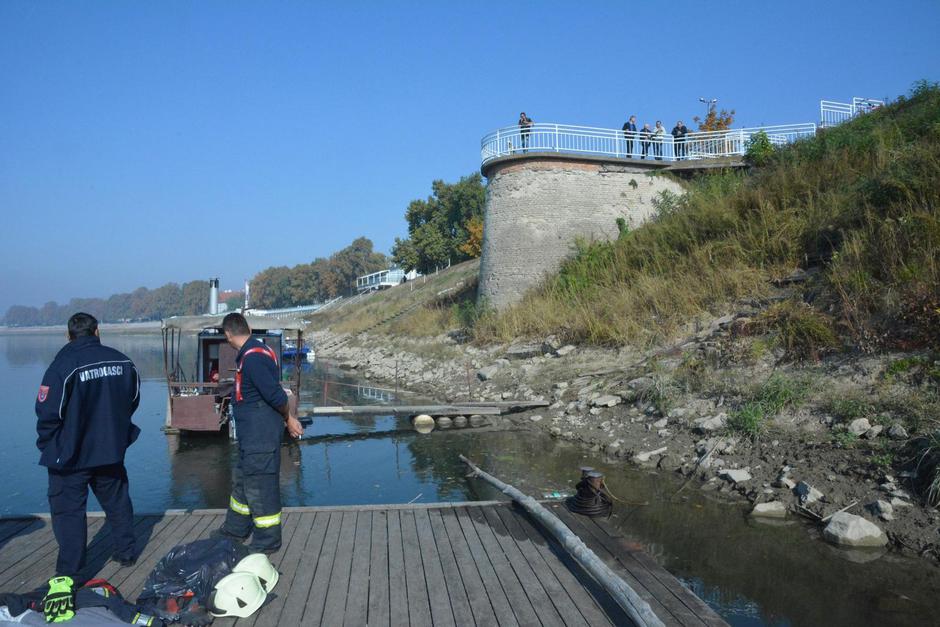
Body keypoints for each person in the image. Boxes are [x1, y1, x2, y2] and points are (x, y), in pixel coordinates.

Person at [35, 312, 141, 579]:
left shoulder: (62, 366)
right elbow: (132, 400)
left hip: (71, 454)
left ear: (68, 335)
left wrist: (48, 445)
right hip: (110, 449)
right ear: (97, 331)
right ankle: (126, 552)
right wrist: (115, 432)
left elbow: (48, 412)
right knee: (117, 502)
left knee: (68, 512)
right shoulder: (122, 361)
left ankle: (70, 572)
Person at [215, 313, 303, 554]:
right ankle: (235, 530)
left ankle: (267, 541)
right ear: (249, 329)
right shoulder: (253, 353)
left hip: (260, 438)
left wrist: (289, 419)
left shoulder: (254, 358)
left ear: (228, 335)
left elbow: (276, 396)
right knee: (243, 482)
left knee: (261, 488)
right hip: (250, 439)